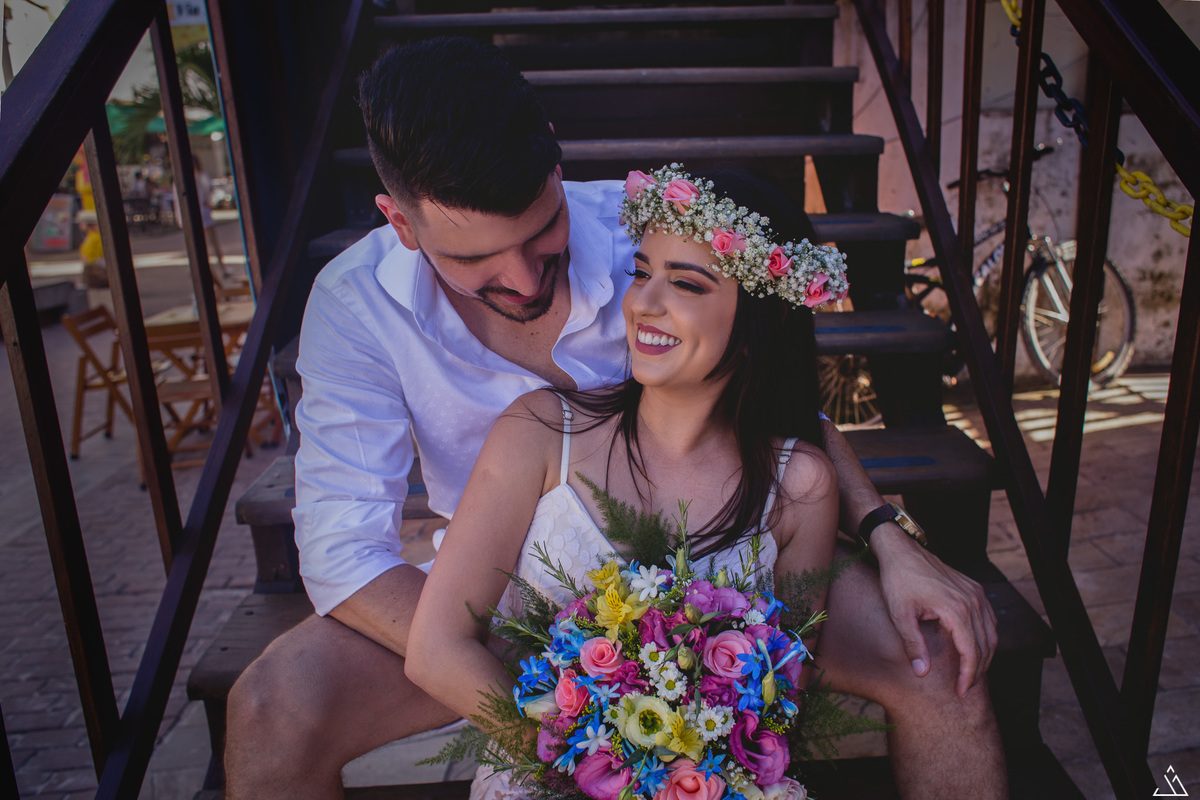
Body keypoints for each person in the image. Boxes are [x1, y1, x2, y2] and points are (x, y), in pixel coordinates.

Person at [225, 36, 1003, 800]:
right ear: (400, 223)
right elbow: (342, 549)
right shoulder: (354, 303)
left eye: (541, 232)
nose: (523, 278)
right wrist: (565, 684)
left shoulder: (652, 240)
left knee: (941, 656)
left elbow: (775, 390)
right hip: (501, 597)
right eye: (476, 261)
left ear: (555, 165)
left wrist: (886, 537)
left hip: (722, 570)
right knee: (271, 707)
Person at [407, 165, 844, 800]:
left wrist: (689, 772)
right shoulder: (537, 433)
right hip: (546, 780)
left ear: (758, 324)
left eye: (687, 284)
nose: (642, 303)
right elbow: (436, 649)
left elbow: (787, 688)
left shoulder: (800, 485)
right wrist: (581, 765)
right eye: (641, 272)